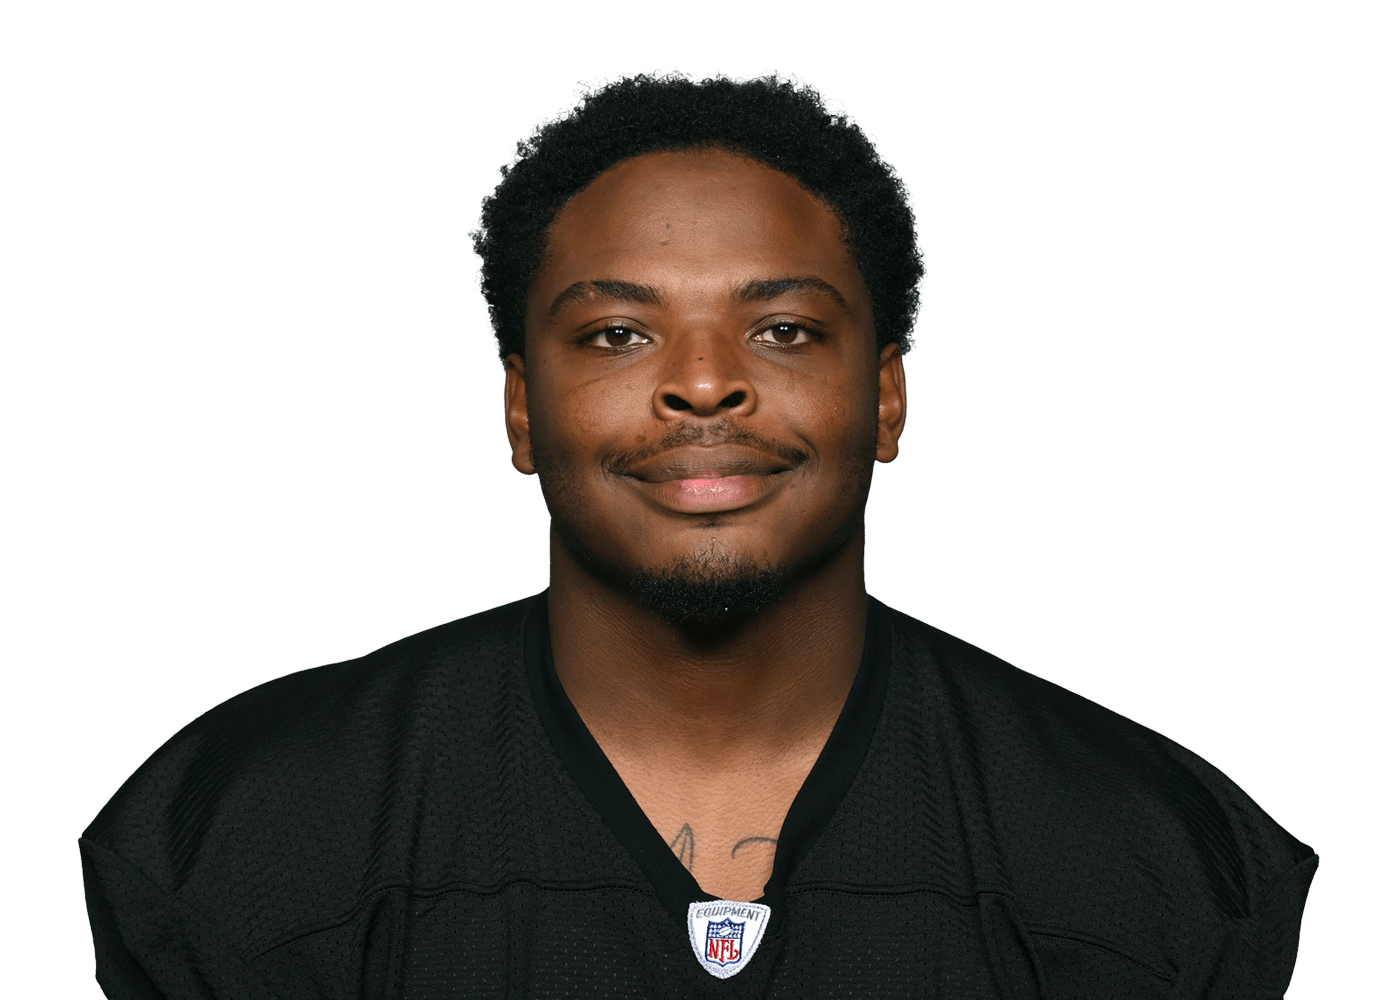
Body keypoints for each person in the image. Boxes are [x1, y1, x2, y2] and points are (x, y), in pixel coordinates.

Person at [81, 73, 1316, 999]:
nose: (705, 383)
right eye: (617, 333)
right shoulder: (253, 829)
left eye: (783, 329)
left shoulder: (1143, 853)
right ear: (520, 408)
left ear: (886, 397)